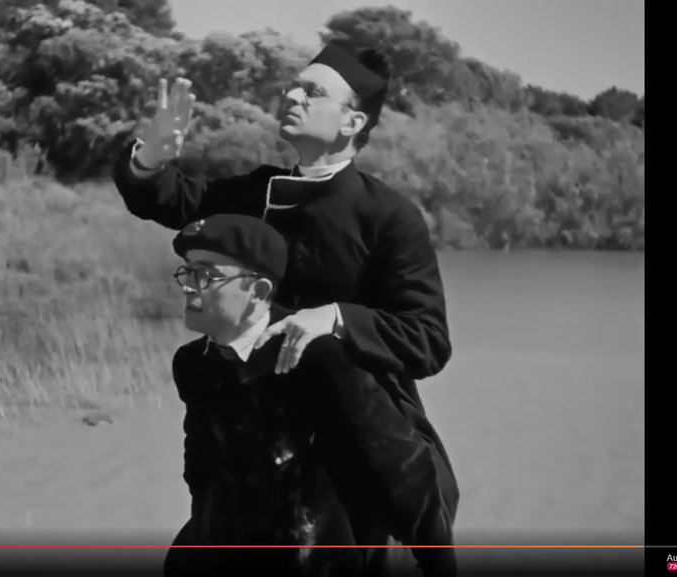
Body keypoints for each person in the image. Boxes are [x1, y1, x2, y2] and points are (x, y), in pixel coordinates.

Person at [112, 40, 460, 529]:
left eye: (312, 92)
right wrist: (149, 157)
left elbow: (428, 340)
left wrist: (335, 319)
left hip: (353, 430)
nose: (292, 97)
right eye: (294, 87)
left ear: (352, 122)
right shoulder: (255, 192)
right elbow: (172, 200)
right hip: (251, 423)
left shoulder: (389, 216)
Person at [162, 214, 455, 577]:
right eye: (188, 272)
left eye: (206, 275)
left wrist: (438, 561)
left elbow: (401, 471)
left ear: (259, 292)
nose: (189, 287)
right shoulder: (193, 363)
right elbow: (201, 473)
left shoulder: (319, 357)